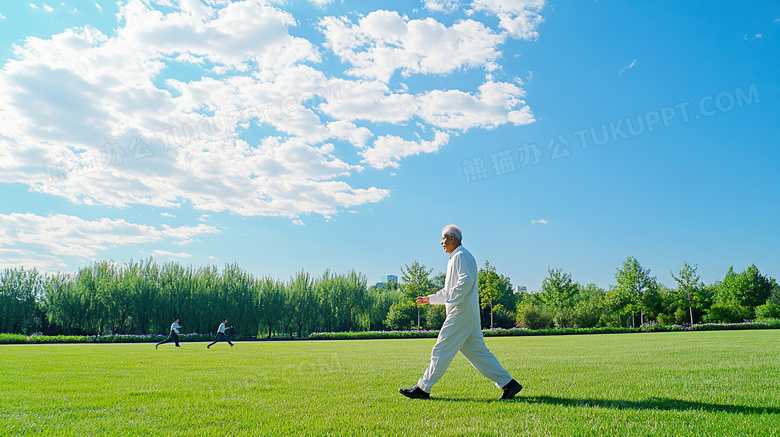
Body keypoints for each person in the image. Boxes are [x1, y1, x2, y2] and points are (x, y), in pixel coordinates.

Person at [399, 225, 522, 400]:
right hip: (468, 314)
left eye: (443, 238)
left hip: (460, 312)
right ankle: (509, 384)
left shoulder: (461, 256)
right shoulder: (457, 257)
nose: (441, 242)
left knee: (441, 348)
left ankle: (423, 387)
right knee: (479, 354)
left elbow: (465, 282)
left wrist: (452, 300)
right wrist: (430, 299)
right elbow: (449, 290)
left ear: (452, 238)